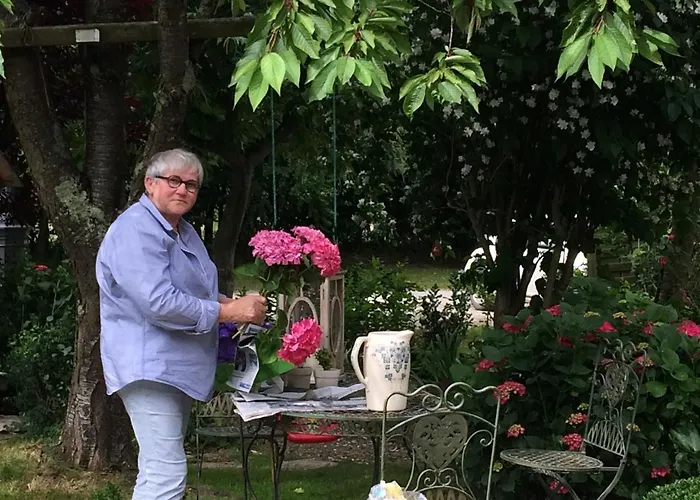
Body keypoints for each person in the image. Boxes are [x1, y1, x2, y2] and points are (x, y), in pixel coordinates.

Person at [95, 148, 267, 500]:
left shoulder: (182, 230)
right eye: (173, 180)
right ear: (150, 183)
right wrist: (228, 313)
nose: (183, 190)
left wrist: (229, 304)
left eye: (191, 184)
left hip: (173, 366)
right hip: (149, 367)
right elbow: (159, 302)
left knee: (157, 469)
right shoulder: (136, 229)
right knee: (166, 473)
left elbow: (192, 292)